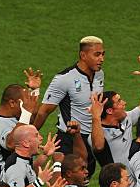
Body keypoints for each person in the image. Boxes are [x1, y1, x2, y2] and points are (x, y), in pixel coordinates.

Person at [35, 36, 105, 176]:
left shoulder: (100, 74)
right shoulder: (64, 79)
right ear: (83, 55)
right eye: (97, 54)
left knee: (83, 184)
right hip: (70, 140)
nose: (101, 59)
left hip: (92, 138)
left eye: (103, 54)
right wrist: (31, 135)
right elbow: (44, 111)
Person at [88, 54, 140, 171]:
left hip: (135, 183)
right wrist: (96, 117)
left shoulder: (125, 119)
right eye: (119, 102)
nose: (124, 103)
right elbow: (98, 146)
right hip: (116, 186)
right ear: (109, 111)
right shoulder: (97, 134)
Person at [0, 83, 39, 180]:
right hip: (8, 177)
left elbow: (33, 121)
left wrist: (34, 91)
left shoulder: (17, 117)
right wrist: (26, 112)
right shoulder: (0, 124)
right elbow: (11, 143)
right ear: (12, 103)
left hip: (23, 171)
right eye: (24, 105)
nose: (26, 108)